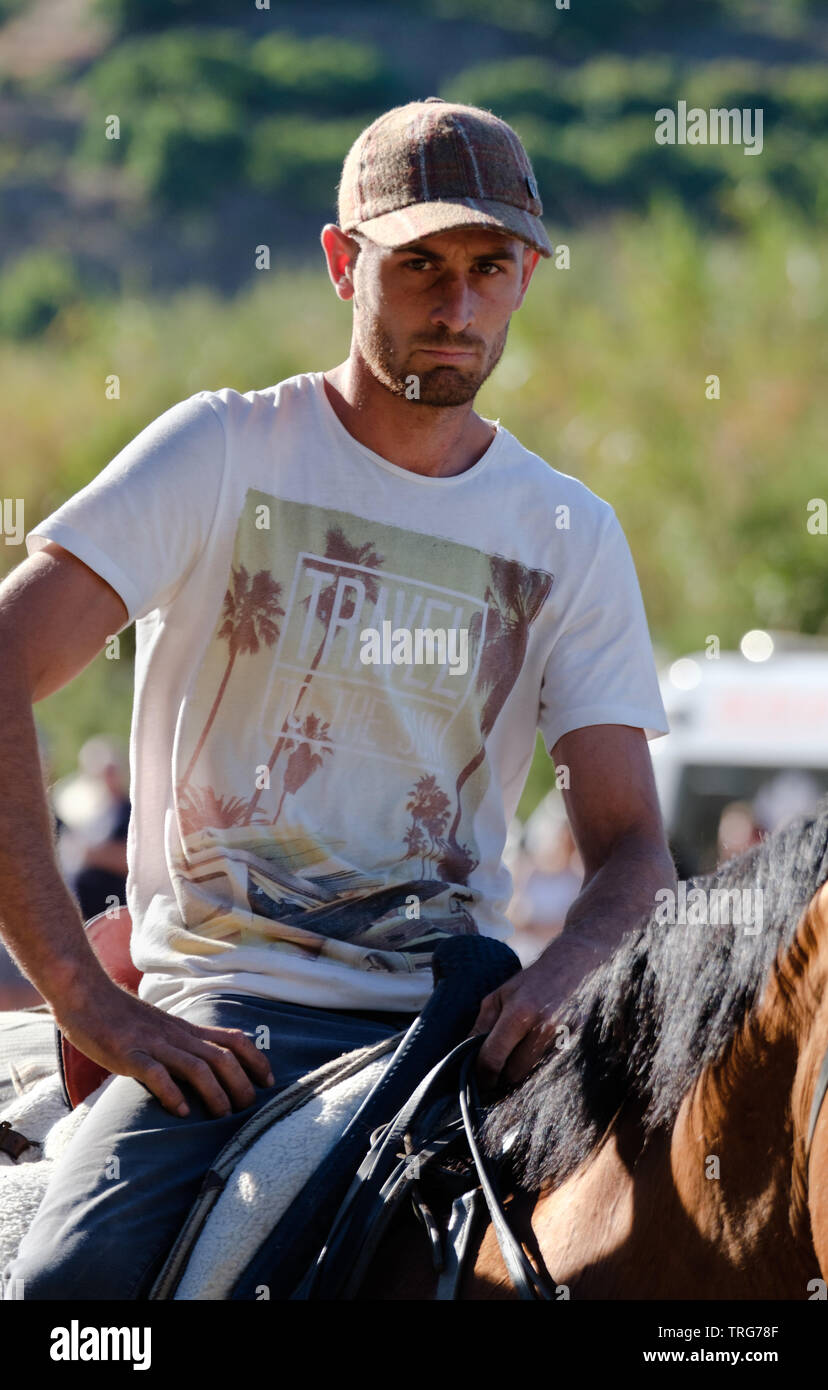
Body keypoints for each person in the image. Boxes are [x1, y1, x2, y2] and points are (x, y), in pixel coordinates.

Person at [0, 97, 675, 1300]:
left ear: (526, 278)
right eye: (418, 263)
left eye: (489, 267)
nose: (456, 305)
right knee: (66, 1300)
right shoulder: (221, 451)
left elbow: (630, 851)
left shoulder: (570, 532)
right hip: (219, 1032)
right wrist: (83, 996)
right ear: (339, 261)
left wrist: (561, 975)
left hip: (447, 1038)